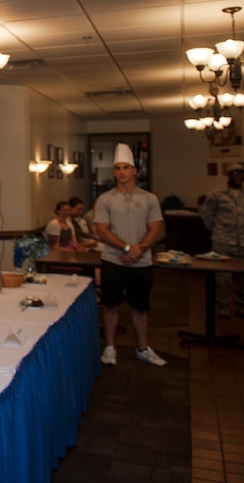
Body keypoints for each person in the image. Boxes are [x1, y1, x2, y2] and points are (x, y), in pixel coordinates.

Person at [94, 143, 166, 367]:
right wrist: (127, 248)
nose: (122, 172)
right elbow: (102, 230)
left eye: (126, 167)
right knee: (111, 305)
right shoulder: (105, 199)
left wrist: (139, 249)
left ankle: (142, 348)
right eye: (117, 168)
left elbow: (155, 227)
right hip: (112, 260)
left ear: (134, 170)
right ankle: (110, 348)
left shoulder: (149, 198)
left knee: (140, 307)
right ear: (114, 172)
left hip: (142, 262)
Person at [200, 163, 244, 318]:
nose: (239, 176)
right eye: (235, 173)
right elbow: (207, 216)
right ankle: (223, 306)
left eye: (242, 173)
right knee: (222, 277)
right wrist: (219, 231)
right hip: (223, 242)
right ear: (228, 176)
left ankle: (242, 306)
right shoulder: (216, 194)